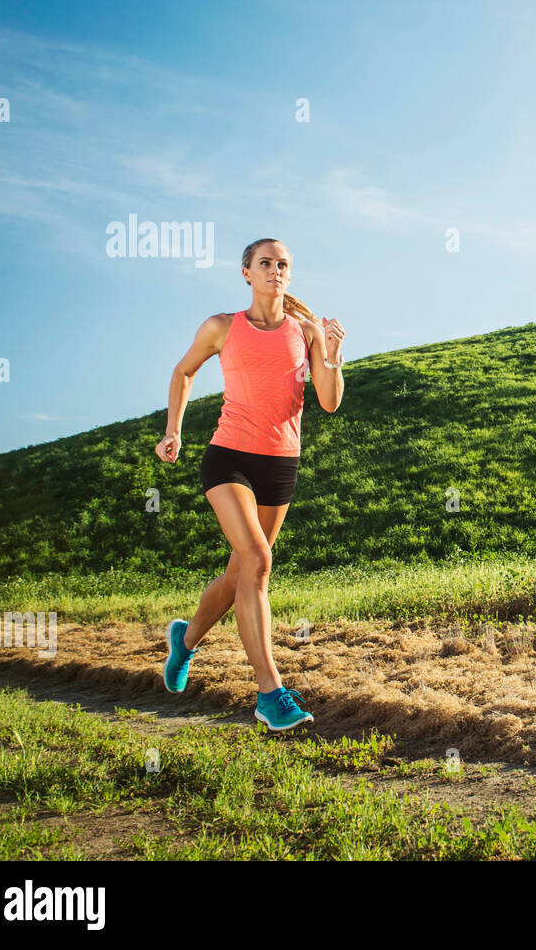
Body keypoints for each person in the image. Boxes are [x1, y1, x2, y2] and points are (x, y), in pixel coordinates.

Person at [153, 238, 346, 731]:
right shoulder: (222, 327)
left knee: (242, 574)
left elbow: (328, 402)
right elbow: (183, 371)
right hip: (229, 457)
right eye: (266, 263)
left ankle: (187, 638)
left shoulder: (306, 331)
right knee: (260, 563)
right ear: (246, 273)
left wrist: (334, 356)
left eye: (283, 264)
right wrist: (174, 429)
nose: (275, 271)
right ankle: (269, 692)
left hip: (280, 463)